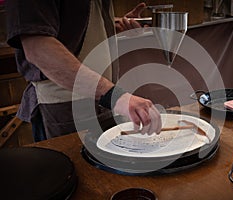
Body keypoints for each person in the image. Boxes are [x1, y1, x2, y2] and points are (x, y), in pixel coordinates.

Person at [5, 0, 162, 141]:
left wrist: (111, 26)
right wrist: (115, 97)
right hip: (67, 108)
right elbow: (37, 48)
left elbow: (71, 25)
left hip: (103, 101)